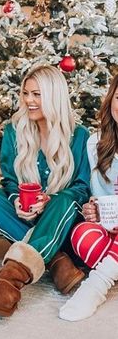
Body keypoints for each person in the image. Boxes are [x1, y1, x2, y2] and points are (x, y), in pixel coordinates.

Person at [0, 64, 91, 317]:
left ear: (53, 95)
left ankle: (10, 281)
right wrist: (16, 199)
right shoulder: (13, 131)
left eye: (37, 94)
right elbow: (9, 180)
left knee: (66, 198)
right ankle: (57, 260)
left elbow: (82, 187)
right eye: (26, 93)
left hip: (62, 218)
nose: (28, 100)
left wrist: (49, 201)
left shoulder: (79, 135)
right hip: (24, 216)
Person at [60, 73, 118, 321]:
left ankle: (99, 283)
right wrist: (92, 208)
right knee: (81, 234)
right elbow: (96, 196)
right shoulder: (96, 143)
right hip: (110, 231)